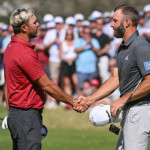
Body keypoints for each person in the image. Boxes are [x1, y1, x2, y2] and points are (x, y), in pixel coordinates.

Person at [3, 8, 87, 150]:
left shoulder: (11, 47)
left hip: (17, 115)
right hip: (26, 117)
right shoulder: (24, 52)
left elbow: (7, 85)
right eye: (34, 22)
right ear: (24, 28)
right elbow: (46, 85)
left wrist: (11, 113)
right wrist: (72, 102)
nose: (38, 24)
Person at [75, 5, 150, 150]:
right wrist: (89, 100)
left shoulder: (141, 47)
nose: (111, 24)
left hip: (140, 112)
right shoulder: (123, 47)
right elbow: (114, 79)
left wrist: (123, 99)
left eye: (115, 21)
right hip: (129, 111)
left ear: (126, 22)